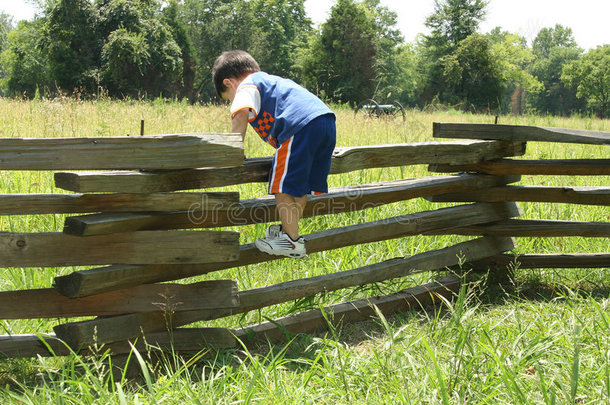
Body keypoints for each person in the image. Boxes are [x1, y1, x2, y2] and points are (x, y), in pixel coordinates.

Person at [212, 50, 336, 258]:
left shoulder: (246, 85)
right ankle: (290, 232)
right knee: (299, 187)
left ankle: (292, 242)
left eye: (228, 99)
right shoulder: (271, 82)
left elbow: (240, 114)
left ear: (229, 83)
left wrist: (232, 151)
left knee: (282, 186)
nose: (232, 102)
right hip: (326, 122)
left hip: (298, 126)